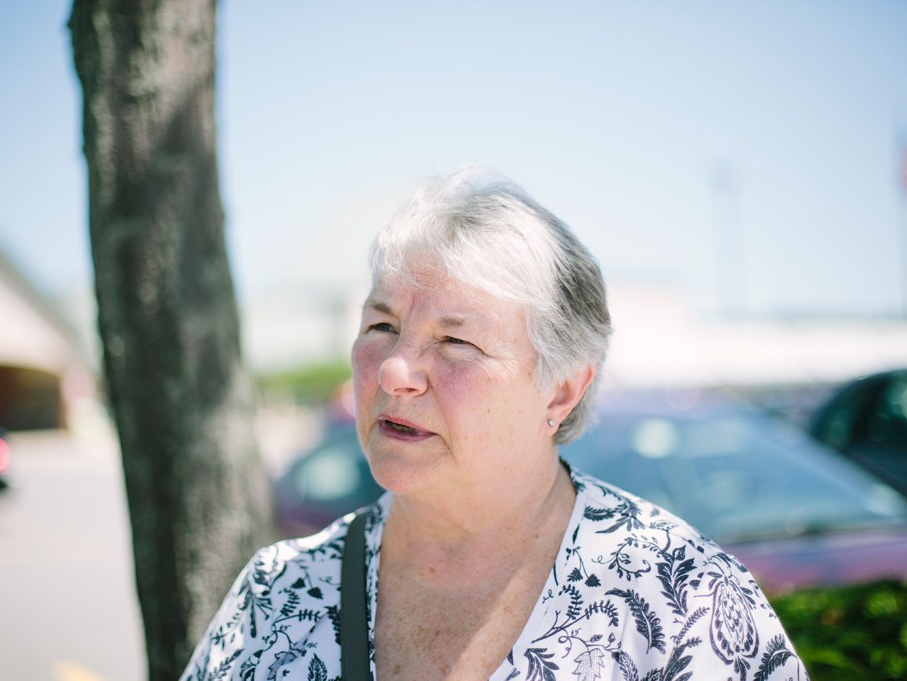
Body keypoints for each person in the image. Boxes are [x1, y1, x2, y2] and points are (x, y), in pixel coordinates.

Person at [181, 167, 809, 680]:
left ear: (559, 392)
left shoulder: (681, 600)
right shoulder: (279, 593)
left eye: (456, 342)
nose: (396, 369)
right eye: (381, 327)